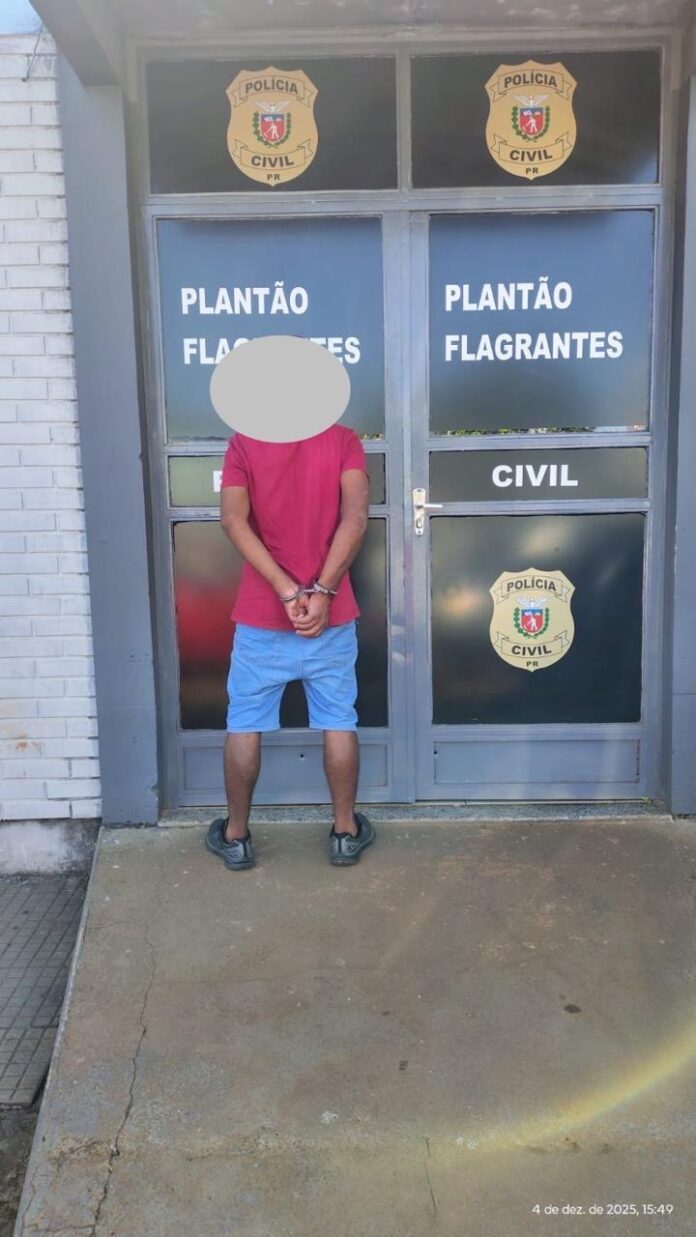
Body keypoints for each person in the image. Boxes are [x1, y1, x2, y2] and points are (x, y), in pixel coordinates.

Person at [205, 423, 375, 871]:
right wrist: (323, 591)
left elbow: (232, 520)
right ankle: (345, 833)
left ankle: (236, 836)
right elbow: (356, 518)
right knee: (338, 719)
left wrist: (285, 590)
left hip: (262, 614)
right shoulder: (343, 440)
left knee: (245, 721)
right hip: (330, 616)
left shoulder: (245, 443)